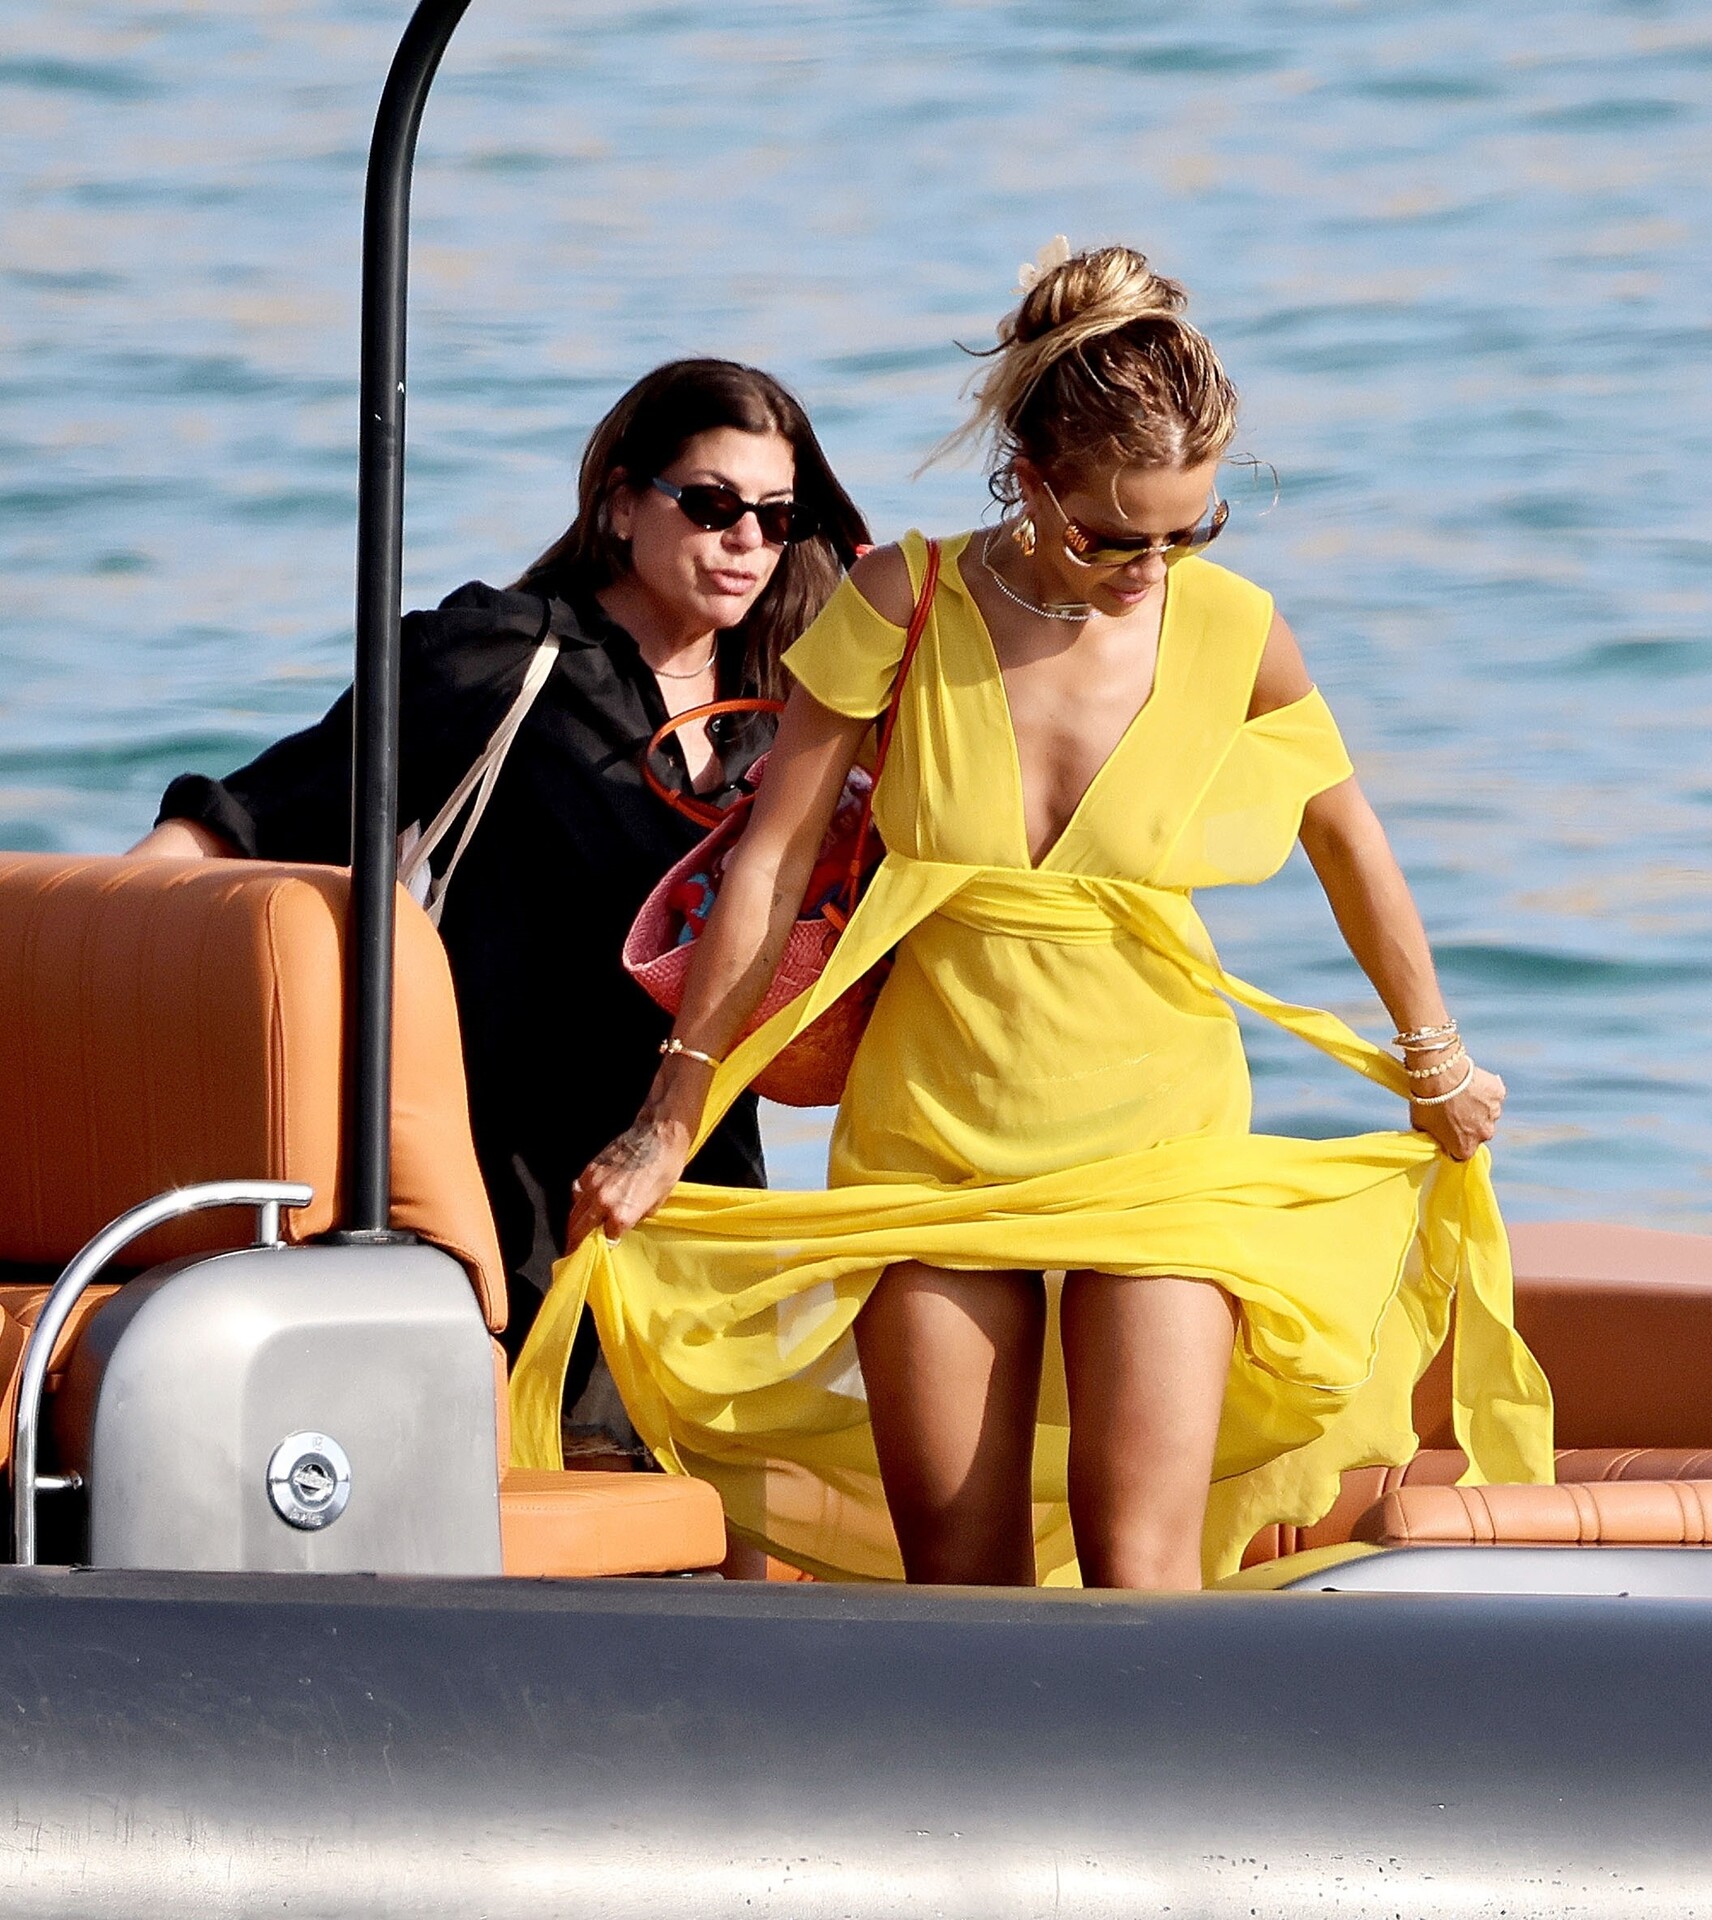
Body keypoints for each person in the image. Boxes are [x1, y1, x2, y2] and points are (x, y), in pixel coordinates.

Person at [512, 248, 1553, 1586]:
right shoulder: (905, 603)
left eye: (1187, 533)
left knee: (1141, 1567)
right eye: (1113, 534)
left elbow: (1349, 845)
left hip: (1161, 1136)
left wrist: (1434, 1053)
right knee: (960, 1570)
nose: (1149, 567)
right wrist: (672, 1117)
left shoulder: (1237, 631)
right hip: (931, 1138)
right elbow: (767, 866)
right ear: (1028, 475)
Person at [130, 358, 871, 1413]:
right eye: (712, 505)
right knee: (546, 1467)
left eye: (775, 516)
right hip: (510, 1182)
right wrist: (91, 930)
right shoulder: (503, 658)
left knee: (709, 1471)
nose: (746, 540)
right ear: (621, 503)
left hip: (703, 1183)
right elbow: (252, 817)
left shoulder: (792, 711)